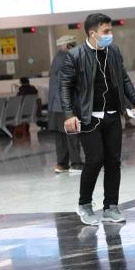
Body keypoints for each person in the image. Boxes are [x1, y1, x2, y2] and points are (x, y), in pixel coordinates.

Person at [60, 13, 135, 226]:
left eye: (110, 30)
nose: (110, 35)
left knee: (113, 162)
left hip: (113, 115)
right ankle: (85, 205)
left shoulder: (113, 51)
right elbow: (65, 87)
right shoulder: (76, 55)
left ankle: (110, 207)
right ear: (92, 33)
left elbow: (123, 78)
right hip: (89, 117)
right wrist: (69, 114)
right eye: (106, 32)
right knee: (95, 159)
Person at [49, 35, 84, 174]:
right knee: (72, 133)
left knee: (60, 136)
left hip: (54, 105)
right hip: (66, 104)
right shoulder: (68, 58)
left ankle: (61, 164)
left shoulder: (57, 58)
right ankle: (76, 164)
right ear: (68, 45)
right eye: (73, 44)